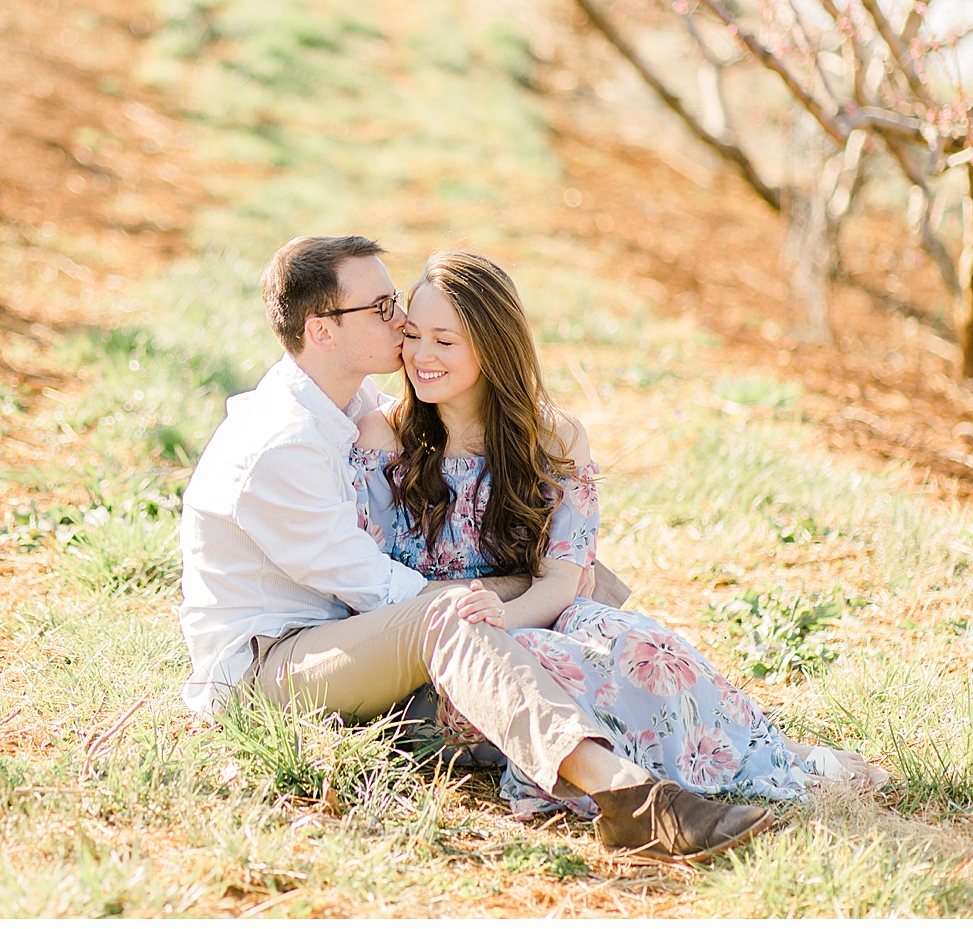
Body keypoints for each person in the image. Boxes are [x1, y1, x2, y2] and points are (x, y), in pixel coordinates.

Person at [178, 235, 776, 862]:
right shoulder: (281, 444)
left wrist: (555, 579)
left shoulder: (342, 403)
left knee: (582, 587)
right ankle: (628, 796)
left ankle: (712, 740)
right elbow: (380, 590)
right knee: (454, 615)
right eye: (382, 307)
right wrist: (519, 589)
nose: (401, 322)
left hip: (342, 640)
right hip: (268, 667)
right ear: (322, 330)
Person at [349, 248, 887, 819]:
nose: (420, 356)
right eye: (412, 335)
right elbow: (370, 578)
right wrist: (480, 619)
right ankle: (661, 779)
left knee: (628, 637)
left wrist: (503, 613)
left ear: (492, 345)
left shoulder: (553, 439)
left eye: (444, 341)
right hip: (443, 657)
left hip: (533, 614)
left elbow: (564, 581)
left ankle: (763, 751)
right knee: (539, 657)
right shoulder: (386, 439)